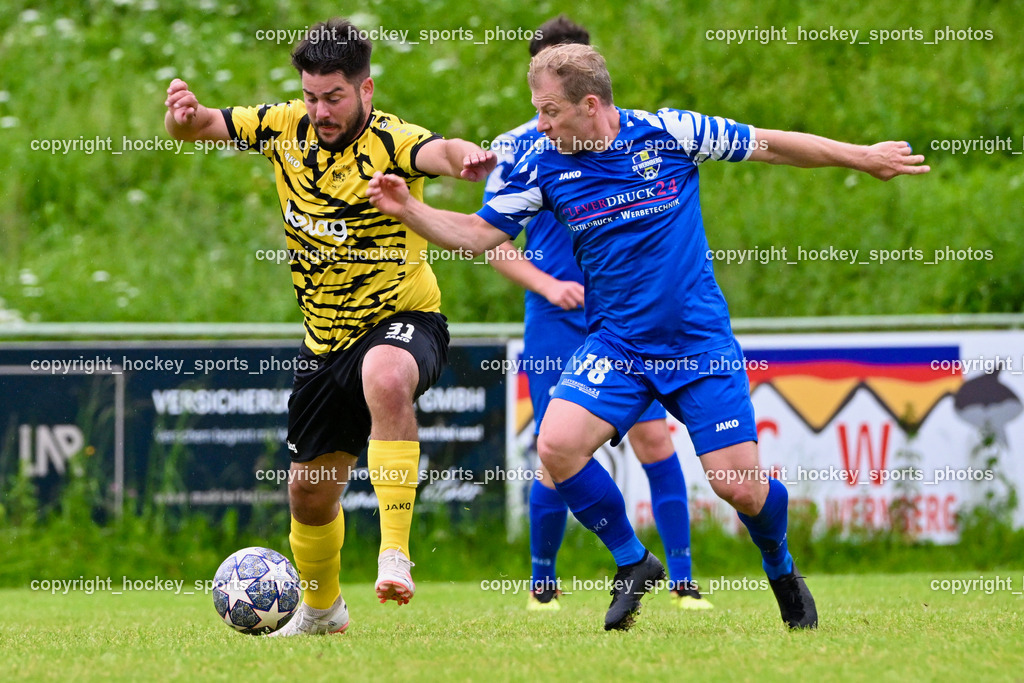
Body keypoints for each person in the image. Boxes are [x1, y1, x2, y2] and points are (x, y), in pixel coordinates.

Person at [368, 42, 929, 631]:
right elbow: (480, 236)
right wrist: (407, 210)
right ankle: (634, 561)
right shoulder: (539, 162)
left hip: (698, 345)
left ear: (591, 105)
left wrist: (860, 157)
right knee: (556, 446)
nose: (540, 123)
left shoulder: (670, 133)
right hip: (618, 346)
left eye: (550, 111)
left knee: (740, 489)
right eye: (537, 110)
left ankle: (781, 567)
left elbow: (772, 144)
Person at [163, 17, 495, 636]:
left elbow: (439, 151)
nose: (320, 110)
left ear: (365, 91)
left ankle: (395, 551)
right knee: (309, 496)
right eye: (312, 96)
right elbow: (204, 124)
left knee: (387, 374)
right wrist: (182, 119)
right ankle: (320, 613)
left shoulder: (392, 140)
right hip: (325, 344)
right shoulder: (284, 125)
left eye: (334, 97)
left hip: (405, 318)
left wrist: (464, 160)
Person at [485, 15, 710, 612]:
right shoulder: (523, 147)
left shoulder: (633, 138)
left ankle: (683, 583)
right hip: (558, 316)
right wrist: (547, 283)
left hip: (625, 314)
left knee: (654, 437)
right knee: (554, 449)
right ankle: (543, 587)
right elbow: (490, 241)